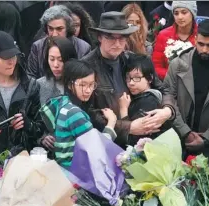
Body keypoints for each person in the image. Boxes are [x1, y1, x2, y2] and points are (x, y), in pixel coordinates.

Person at [82, 11, 175, 147]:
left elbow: (162, 88)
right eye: (111, 38)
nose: (117, 44)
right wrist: (128, 126)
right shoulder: (87, 66)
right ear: (100, 37)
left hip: (139, 139)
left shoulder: (132, 59)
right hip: (104, 141)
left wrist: (167, 110)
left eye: (122, 38)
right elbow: (86, 112)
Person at [164, 19, 209, 164]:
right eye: (201, 44)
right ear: (195, 40)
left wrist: (207, 137)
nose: (204, 49)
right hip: (178, 136)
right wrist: (185, 132)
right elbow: (168, 98)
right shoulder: (178, 64)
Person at [40, 59, 117, 168]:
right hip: (76, 175)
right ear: (70, 85)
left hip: (64, 171)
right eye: (82, 85)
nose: (88, 90)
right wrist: (111, 123)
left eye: (91, 84)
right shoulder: (74, 113)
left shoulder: (63, 103)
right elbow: (97, 149)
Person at [119, 54, 172, 145]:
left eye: (137, 78)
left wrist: (123, 110)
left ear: (150, 78)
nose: (131, 83)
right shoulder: (142, 97)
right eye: (128, 78)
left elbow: (135, 141)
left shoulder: (148, 102)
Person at [27, 5, 91, 79]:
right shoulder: (38, 46)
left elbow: (86, 77)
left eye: (59, 29)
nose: (54, 34)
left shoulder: (83, 48)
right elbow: (31, 78)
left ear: (68, 28)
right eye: (50, 28)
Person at [152, 1, 198, 80]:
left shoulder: (201, 35)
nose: (180, 17)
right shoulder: (163, 35)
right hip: (169, 84)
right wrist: (173, 75)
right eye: (176, 13)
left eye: (184, 12)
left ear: (192, 13)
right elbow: (156, 67)